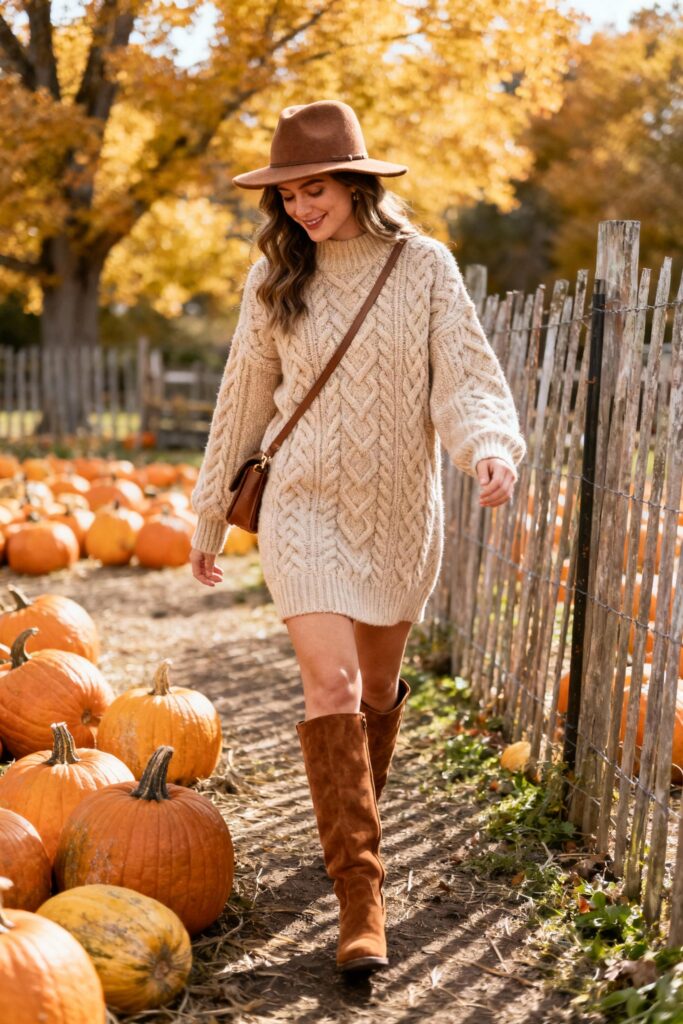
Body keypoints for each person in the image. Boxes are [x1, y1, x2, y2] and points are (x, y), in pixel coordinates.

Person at [189, 99, 526, 975]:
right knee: (331, 685)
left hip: (398, 513)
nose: (301, 207)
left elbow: (464, 377)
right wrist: (208, 517)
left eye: (316, 188)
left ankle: (353, 822)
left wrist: (486, 447)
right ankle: (360, 898)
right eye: (287, 194)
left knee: (375, 687)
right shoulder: (274, 278)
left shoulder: (423, 267)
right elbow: (242, 401)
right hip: (301, 507)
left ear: (354, 182)